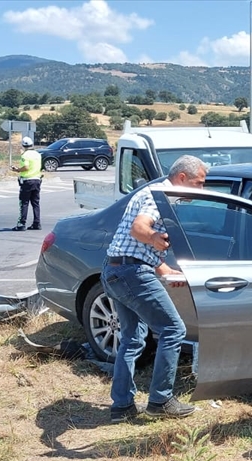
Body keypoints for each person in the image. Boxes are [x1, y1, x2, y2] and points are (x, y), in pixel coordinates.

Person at [103, 155, 207, 423]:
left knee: (132, 338)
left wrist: (163, 270)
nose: (202, 190)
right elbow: (139, 229)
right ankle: (161, 400)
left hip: (115, 270)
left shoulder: (151, 191)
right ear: (182, 178)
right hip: (131, 273)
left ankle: (122, 406)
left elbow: (133, 244)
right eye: (199, 183)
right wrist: (153, 237)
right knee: (173, 329)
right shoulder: (158, 195)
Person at [10, 137, 42, 231]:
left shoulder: (25, 155)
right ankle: (37, 223)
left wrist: (17, 170)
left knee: (24, 203)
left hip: (27, 181)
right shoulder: (37, 154)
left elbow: (26, 167)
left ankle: (21, 223)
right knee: (35, 203)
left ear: (23, 145)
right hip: (37, 179)